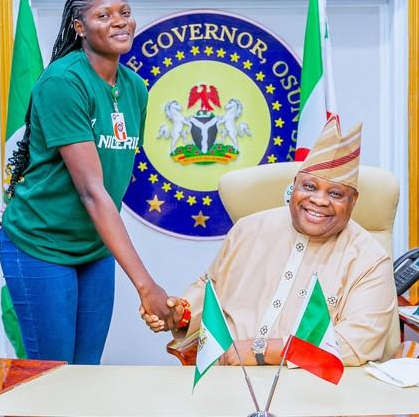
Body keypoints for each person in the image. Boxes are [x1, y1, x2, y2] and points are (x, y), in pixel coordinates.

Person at [0, 0, 171, 364]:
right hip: (41, 246)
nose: (119, 21)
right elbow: (92, 190)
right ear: (79, 27)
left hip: (94, 247)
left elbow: (111, 171)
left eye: (124, 12)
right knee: (52, 374)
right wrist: (145, 285)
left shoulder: (135, 88)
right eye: (103, 15)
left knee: (87, 371)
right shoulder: (64, 81)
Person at [141, 117, 399, 366]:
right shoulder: (249, 229)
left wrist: (263, 350)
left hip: (313, 389)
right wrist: (180, 314)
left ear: (353, 201)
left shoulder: (370, 257)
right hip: (230, 380)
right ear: (294, 187)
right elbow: (211, 289)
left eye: (335, 193)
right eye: (309, 187)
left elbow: (357, 344)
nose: (319, 200)